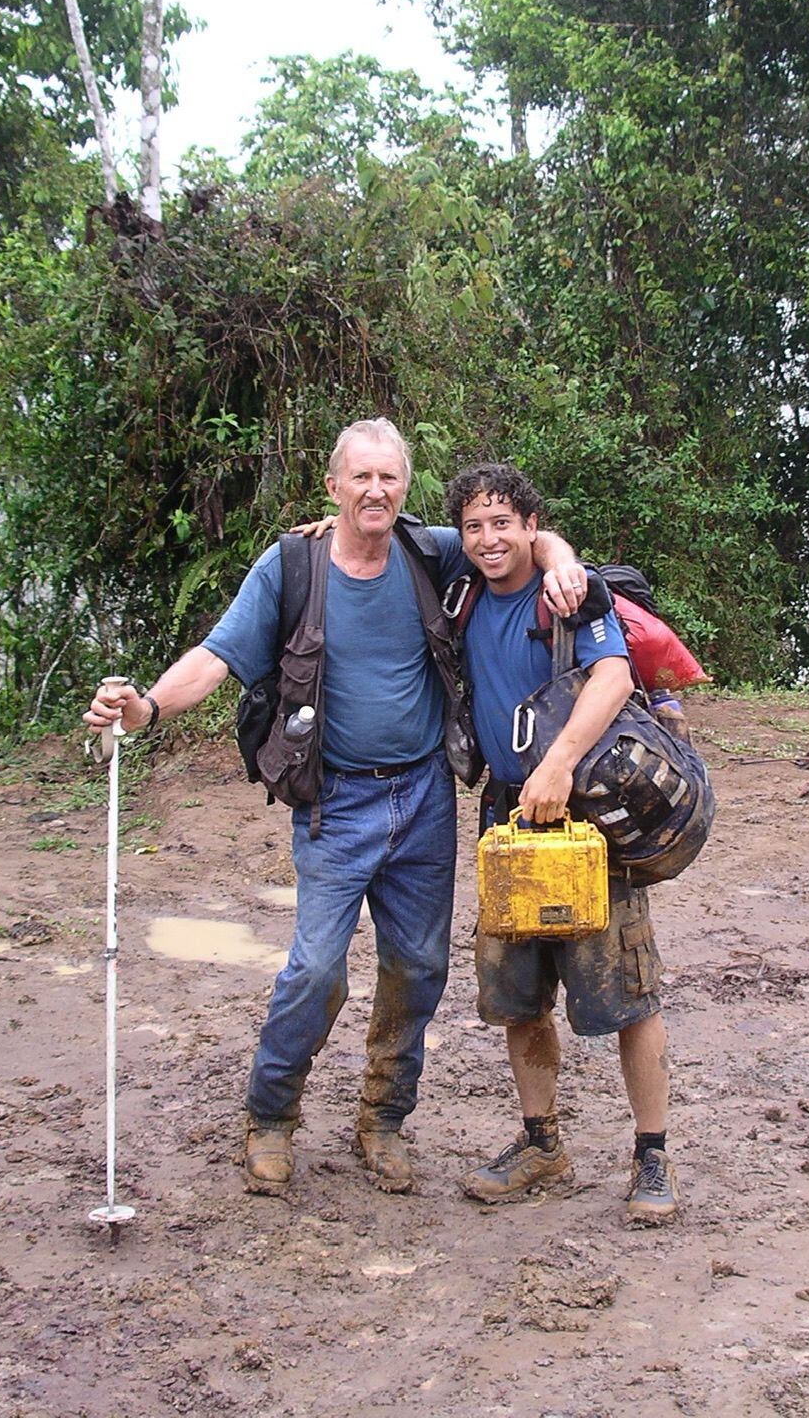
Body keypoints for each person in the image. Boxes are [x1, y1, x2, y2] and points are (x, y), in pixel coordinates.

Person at [84, 420, 587, 1198]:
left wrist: (561, 558)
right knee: (315, 969)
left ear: (405, 486)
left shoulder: (431, 551)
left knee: (419, 968)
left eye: (389, 478)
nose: (376, 491)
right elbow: (217, 657)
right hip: (335, 804)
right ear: (333, 487)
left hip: (423, 795)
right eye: (361, 479)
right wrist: (146, 707)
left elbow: (518, 540)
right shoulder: (291, 567)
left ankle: (382, 1122)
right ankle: (270, 1117)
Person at [446, 461, 680, 1225]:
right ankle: (542, 1143)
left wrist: (557, 763)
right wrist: (315, 533)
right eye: (474, 526)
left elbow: (612, 677)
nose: (488, 539)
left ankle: (652, 1157)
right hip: (507, 819)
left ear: (530, 526)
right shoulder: (463, 591)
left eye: (502, 524)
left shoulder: (571, 595)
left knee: (627, 994)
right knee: (517, 997)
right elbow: (375, 529)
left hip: (586, 820)